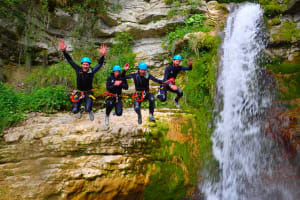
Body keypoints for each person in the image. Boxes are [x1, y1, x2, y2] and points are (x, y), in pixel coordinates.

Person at [58, 40, 107, 121]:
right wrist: (64, 51)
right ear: (81, 65)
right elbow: (70, 60)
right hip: (79, 92)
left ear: (89, 65)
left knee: (88, 109)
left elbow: (99, 64)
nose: (85, 66)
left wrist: (102, 56)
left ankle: (89, 109)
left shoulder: (92, 71)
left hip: (88, 92)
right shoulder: (78, 69)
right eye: (84, 64)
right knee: (74, 111)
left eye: (87, 64)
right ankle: (80, 109)